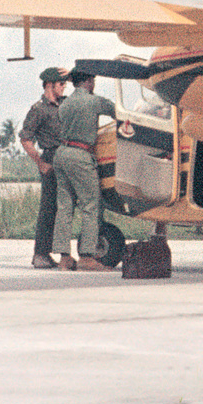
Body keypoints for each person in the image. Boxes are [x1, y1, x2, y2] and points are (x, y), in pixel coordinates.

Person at [50, 68, 119, 272]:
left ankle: (64, 257)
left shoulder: (65, 104)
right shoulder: (94, 101)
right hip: (81, 155)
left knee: (64, 206)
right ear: (89, 81)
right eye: (93, 80)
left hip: (61, 154)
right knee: (91, 204)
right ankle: (87, 256)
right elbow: (119, 112)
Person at [19, 66, 70, 269]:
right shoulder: (38, 109)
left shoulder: (65, 105)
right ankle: (41, 254)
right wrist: (40, 163)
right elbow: (25, 139)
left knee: (64, 208)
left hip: (67, 157)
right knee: (49, 208)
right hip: (51, 157)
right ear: (49, 85)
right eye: (61, 84)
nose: (64, 87)